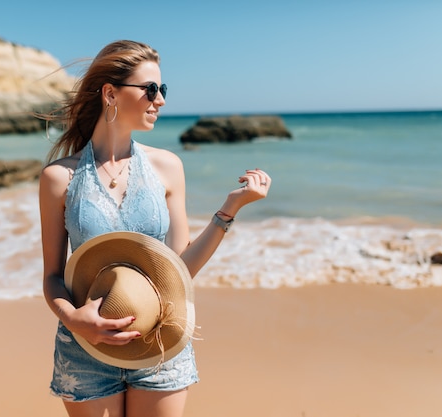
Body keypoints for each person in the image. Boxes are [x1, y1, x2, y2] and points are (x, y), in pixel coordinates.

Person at [38, 39, 271, 417]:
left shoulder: (167, 167)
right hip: (83, 350)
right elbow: (51, 277)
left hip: (161, 342)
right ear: (110, 94)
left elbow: (179, 271)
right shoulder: (58, 178)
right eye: (150, 89)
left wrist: (229, 210)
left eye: (162, 89)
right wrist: (72, 318)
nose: (160, 100)